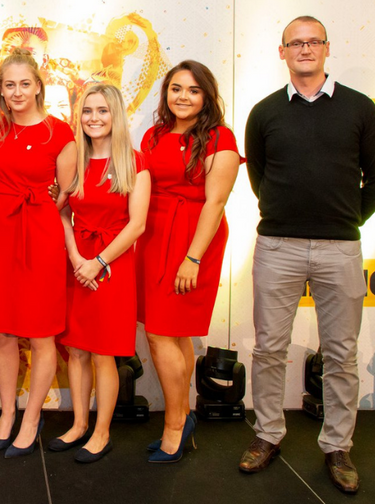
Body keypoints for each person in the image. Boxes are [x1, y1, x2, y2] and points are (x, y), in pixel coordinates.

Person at [240, 16, 375, 494]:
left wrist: (349, 219)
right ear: (282, 52)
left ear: (326, 48)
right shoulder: (264, 112)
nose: (304, 49)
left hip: (341, 246)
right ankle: (268, 435)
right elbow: (259, 175)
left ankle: (338, 445)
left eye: (312, 41)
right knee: (268, 348)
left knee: (341, 353)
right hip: (278, 244)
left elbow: (374, 176)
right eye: (294, 43)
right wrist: (285, 214)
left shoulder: (361, 108)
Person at [135, 60, 240, 463]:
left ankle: (175, 426)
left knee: (162, 334)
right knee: (173, 334)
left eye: (193, 90)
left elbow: (215, 203)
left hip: (194, 240)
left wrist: (192, 258)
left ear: (206, 96)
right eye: (176, 88)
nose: (182, 96)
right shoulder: (154, 134)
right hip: (154, 235)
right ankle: (184, 415)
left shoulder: (219, 136)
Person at [0, 48, 76, 459]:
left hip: (41, 236)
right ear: (0, 90)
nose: (17, 92)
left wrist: (41, 207)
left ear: (38, 86)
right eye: (9, 85)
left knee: (40, 333)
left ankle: (32, 418)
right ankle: (6, 412)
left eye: (24, 84)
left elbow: (68, 198)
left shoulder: (61, 132)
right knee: (1, 330)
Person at [51, 83, 150, 463]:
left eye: (103, 111)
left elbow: (136, 225)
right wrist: (76, 256)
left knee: (103, 354)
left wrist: (99, 262)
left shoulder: (135, 162)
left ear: (116, 115)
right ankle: (78, 425)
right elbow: (62, 210)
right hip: (78, 265)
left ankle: (102, 432)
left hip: (112, 266)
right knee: (75, 350)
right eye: (88, 111)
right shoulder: (75, 159)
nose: (94, 118)